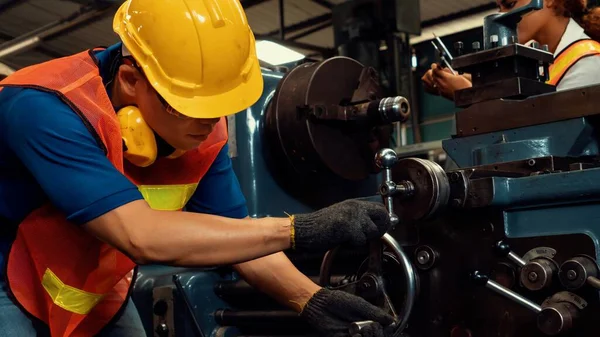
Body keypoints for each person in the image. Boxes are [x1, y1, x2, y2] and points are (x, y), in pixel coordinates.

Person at [0, 1, 396, 336]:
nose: (209, 123)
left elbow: (239, 240)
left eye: (219, 105)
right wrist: (298, 230)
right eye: (192, 106)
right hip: (9, 284)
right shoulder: (45, 107)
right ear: (130, 79)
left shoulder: (202, 131)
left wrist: (310, 299)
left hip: (98, 291)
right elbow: (140, 234)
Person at [422, 0, 600, 100]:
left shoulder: (588, 62)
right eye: (499, 8)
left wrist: (472, 98)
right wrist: (467, 82)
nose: (501, 15)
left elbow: (546, 134)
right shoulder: (533, 56)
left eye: (510, 4)